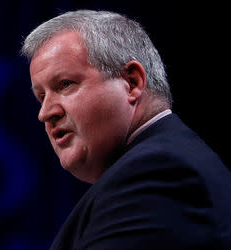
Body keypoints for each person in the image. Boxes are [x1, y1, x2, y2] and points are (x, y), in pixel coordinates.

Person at [21, 10, 231, 250]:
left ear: (132, 83)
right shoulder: (160, 164)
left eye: (65, 84)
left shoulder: (157, 173)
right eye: (41, 96)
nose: (45, 113)